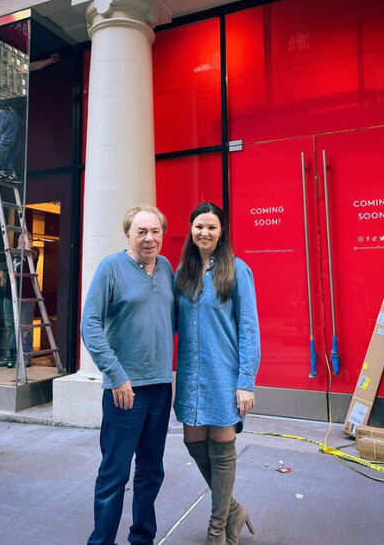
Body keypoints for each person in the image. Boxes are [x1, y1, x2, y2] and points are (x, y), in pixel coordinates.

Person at [81, 205, 175, 545]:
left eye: (155, 232)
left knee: (151, 471)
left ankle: (142, 538)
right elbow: (89, 325)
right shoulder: (111, 268)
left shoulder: (165, 268)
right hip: (125, 390)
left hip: (161, 388)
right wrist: (117, 376)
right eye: (141, 232)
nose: (149, 238)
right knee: (115, 473)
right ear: (128, 235)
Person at [173, 202, 259, 545]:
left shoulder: (238, 271)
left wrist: (245, 383)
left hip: (224, 374)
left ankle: (217, 531)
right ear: (191, 232)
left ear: (222, 231)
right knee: (193, 441)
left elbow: (249, 329)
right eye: (199, 227)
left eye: (211, 227)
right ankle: (234, 510)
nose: (205, 233)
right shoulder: (182, 273)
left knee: (222, 445)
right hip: (191, 376)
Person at [0, 246, 39, 369]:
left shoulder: (30, 253)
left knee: (26, 326)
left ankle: (27, 355)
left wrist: (27, 249)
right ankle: (10, 355)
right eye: (22, 238)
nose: (24, 240)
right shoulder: (10, 253)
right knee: (10, 326)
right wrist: (2, 279)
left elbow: (35, 253)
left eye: (27, 238)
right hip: (9, 294)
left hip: (26, 295)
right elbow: (1, 269)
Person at [0, 103, 21, 183]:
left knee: (14, 146)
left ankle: (8, 171)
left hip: (12, 113)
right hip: (7, 111)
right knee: (6, 142)